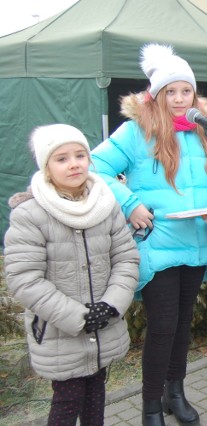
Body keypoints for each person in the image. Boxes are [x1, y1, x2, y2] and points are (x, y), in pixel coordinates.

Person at [91, 44, 207, 426]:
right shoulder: (136, 131)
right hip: (157, 244)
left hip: (199, 243)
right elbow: (96, 167)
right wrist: (129, 203)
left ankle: (176, 393)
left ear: (194, 93)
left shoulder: (206, 131)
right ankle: (150, 406)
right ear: (156, 94)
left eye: (184, 90)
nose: (178, 98)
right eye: (169, 91)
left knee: (183, 325)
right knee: (162, 329)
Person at [4, 124, 139, 425]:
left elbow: (126, 258)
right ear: (47, 167)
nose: (74, 163)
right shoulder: (30, 215)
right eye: (62, 158)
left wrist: (111, 305)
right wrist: (78, 317)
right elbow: (25, 279)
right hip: (60, 332)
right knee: (66, 401)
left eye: (80, 154)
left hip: (104, 326)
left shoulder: (107, 205)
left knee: (95, 395)